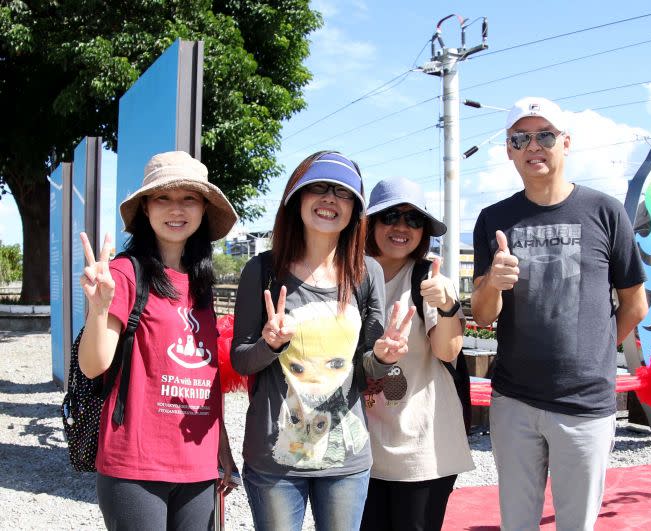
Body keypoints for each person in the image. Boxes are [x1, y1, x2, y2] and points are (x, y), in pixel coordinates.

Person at [470, 97, 649, 531]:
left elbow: (634, 304)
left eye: (545, 135)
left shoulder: (605, 212)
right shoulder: (494, 219)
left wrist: (593, 351)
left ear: (566, 143)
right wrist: (493, 281)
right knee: (517, 523)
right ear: (510, 150)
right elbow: (482, 315)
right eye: (520, 138)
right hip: (513, 400)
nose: (534, 145)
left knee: (576, 525)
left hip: (585, 402)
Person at [231, 151, 415, 531]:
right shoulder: (262, 270)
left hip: (346, 459)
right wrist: (270, 344)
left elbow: (366, 373)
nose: (329, 198)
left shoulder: (367, 273)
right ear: (296, 198)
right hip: (273, 459)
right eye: (317, 188)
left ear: (354, 210)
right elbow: (241, 361)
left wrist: (382, 356)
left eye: (342, 193)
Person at [78, 150, 240, 530]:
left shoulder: (201, 285)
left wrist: (222, 445)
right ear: (146, 209)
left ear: (203, 210)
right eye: (163, 197)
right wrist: (99, 310)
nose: (176, 208)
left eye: (189, 198)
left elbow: (205, 375)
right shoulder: (124, 273)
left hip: (199, 465)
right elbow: (93, 365)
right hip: (135, 463)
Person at [360, 177, 474, 531]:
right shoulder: (349, 274)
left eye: (414, 220)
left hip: (422, 445)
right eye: (390, 215)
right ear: (369, 223)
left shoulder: (429, 278)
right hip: (357, 445)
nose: (401, 227)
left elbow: (448, 350)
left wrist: (448, 304)